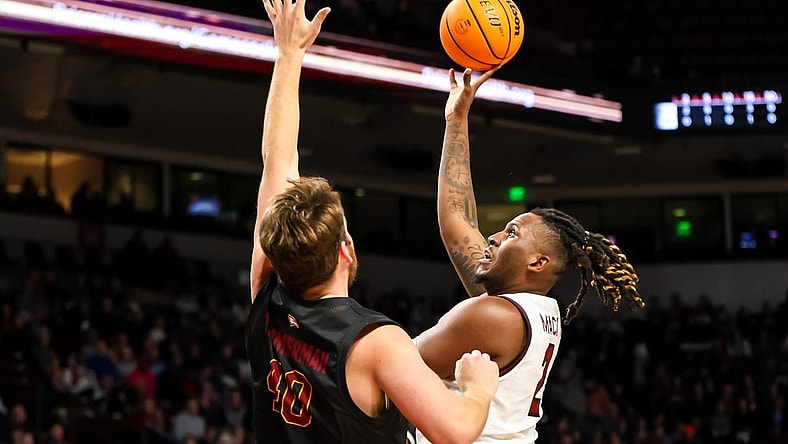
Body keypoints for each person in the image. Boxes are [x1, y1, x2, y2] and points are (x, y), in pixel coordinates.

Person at [245, 1, 500, 443]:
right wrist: (478, 389)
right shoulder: (377, 343)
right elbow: (456, 432)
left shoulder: (266, 292)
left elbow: (278, 159)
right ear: (347, 250)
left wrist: (289, 53)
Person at [413, 68, 646, 443]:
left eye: (512, 234)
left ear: (538, 263)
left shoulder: (493, 316)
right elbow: (457, 218)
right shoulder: (534, 306)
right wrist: (456, 120)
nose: (492, 236)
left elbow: (395, 367)